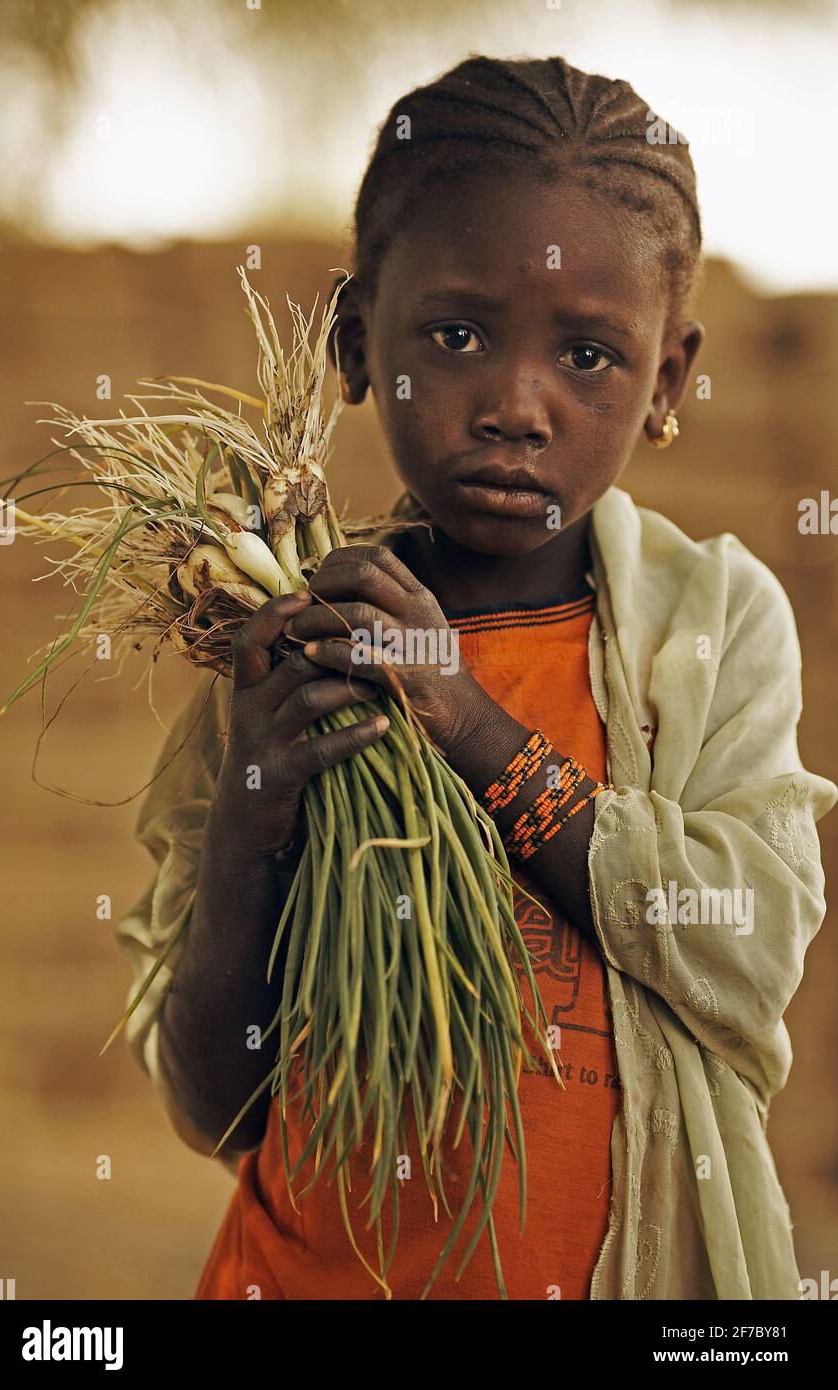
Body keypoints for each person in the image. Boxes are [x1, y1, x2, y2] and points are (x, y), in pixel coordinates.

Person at [115, 55, 838, 1300]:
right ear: (355, 340)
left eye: (590, 356)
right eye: (454, 336)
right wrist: (250, 813)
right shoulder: (291, 639)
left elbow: (749, 945)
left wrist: (462, 716)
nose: (515, 403)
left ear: (667, 379)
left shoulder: (712, 623)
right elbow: (212, 1102)